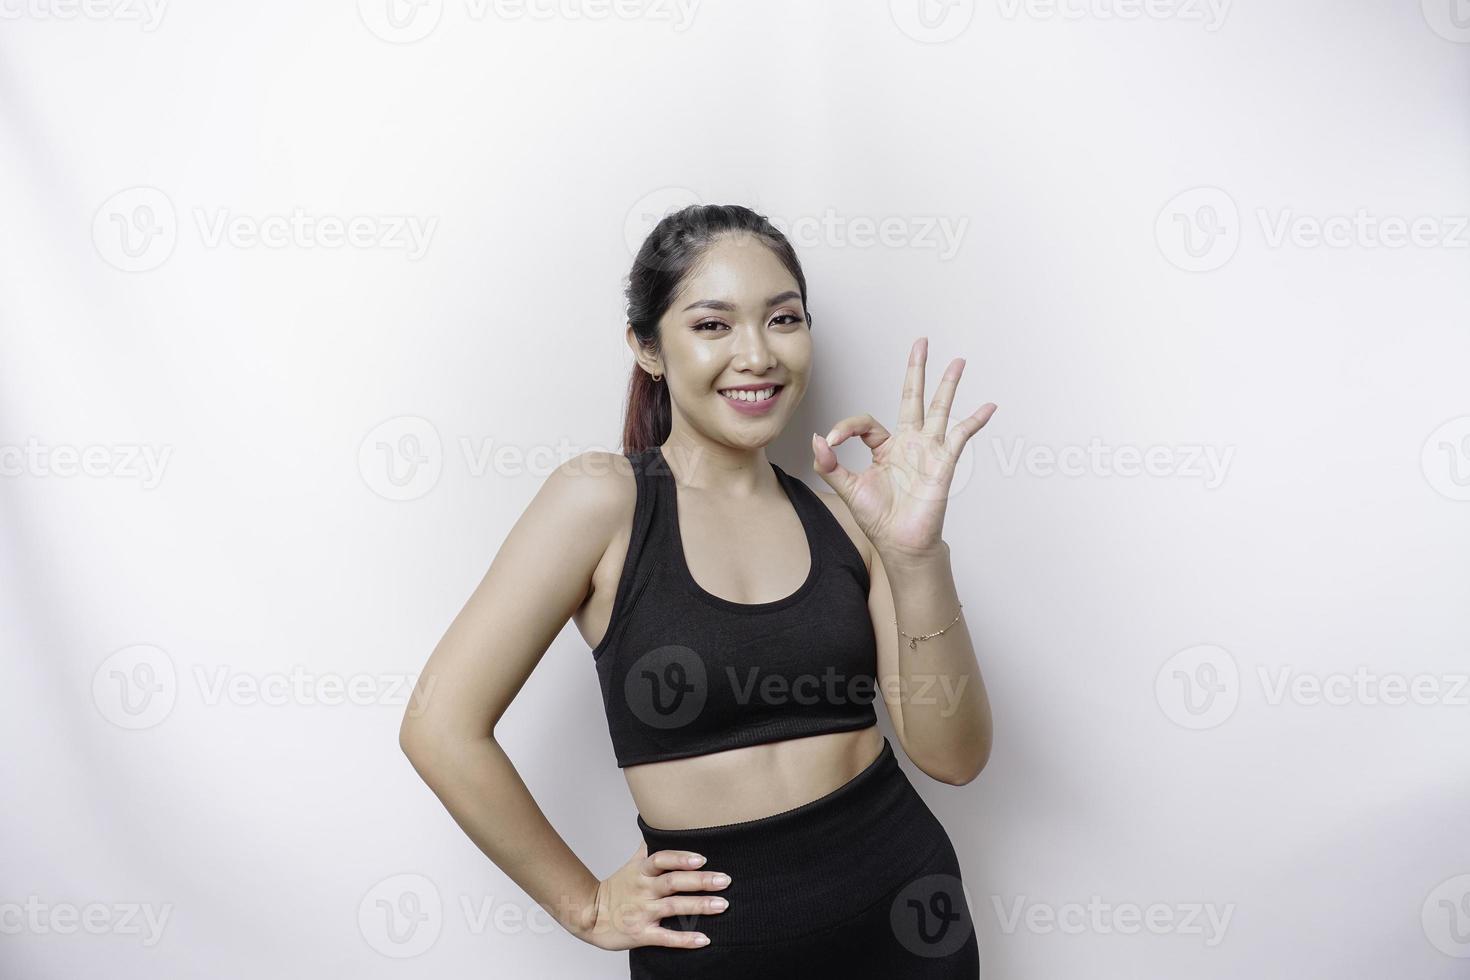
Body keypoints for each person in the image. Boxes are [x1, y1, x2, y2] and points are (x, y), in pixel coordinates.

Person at [400, 204, 996, 978]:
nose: (757, 354)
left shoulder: (851, 515)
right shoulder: (600, 501)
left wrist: (917, 556)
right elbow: (439, 726)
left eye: (783, 319)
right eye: (713, 325)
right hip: (715, 951)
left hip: (907, 915)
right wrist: (583, 904)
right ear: (648, 348)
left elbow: (954, 757)